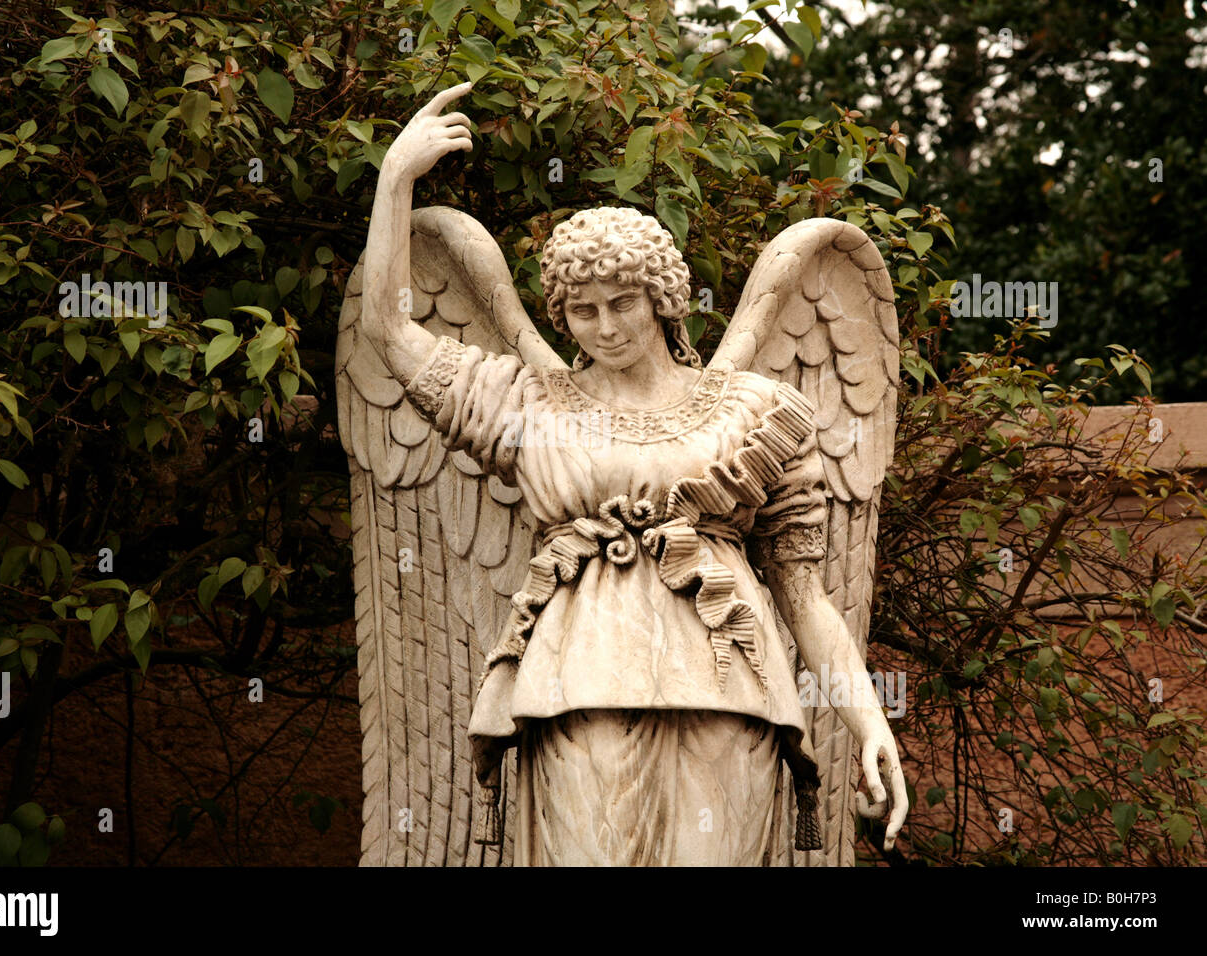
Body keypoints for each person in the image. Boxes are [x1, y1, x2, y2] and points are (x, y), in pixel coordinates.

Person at [362, 82, 907, 865]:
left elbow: (802, 590)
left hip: (728, 697)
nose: (606, 326)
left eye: (623, 302)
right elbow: (388, 329)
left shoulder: (756, 410)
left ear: (663, 300)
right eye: (583, 311)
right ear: (561, 315)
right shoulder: (524, 405)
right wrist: (395, 178)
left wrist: (868, 721)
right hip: (577, 690)